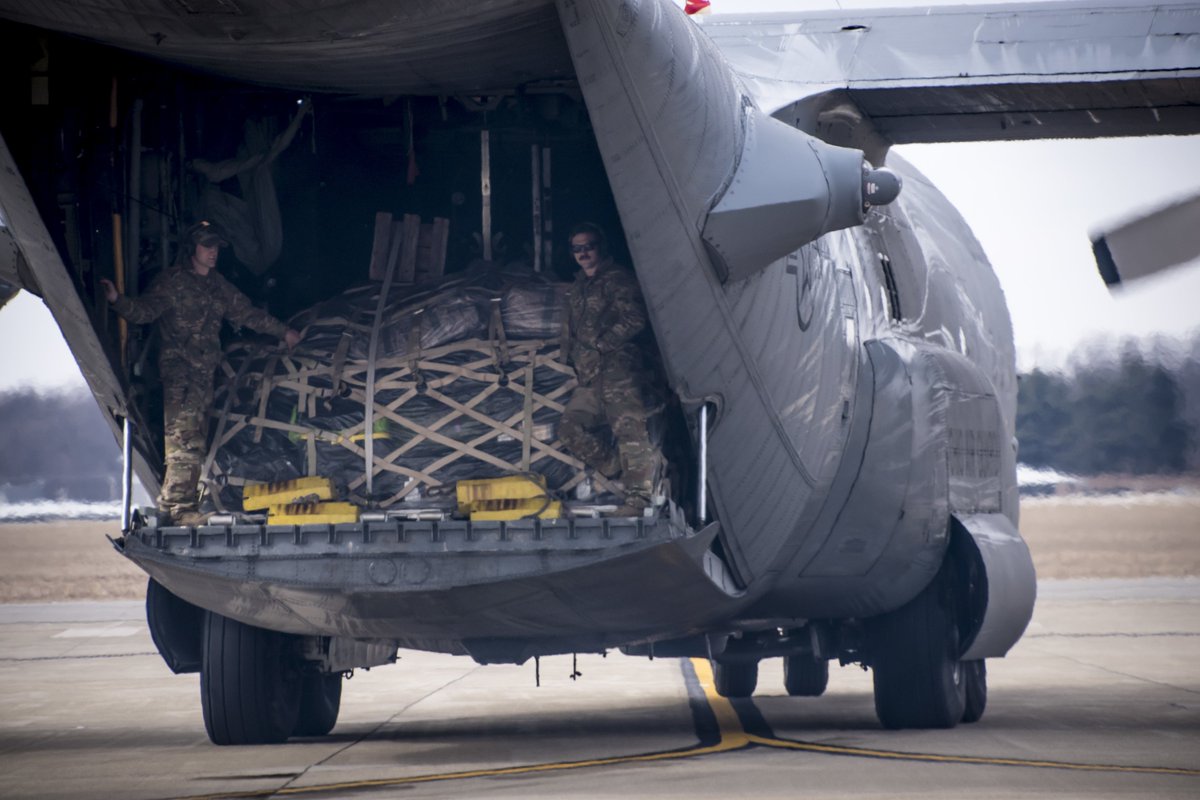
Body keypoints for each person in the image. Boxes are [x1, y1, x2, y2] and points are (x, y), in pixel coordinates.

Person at [101, 220, 301, 526]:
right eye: (207, 246)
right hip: (181, 376)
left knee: (196, 441)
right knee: (184, 442)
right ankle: (180, 510)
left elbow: (247, 314)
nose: (213, 253)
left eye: (216, 247)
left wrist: (283, 332)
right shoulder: (173, 282)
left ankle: (176, 504)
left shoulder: (217, 286)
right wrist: (117, 301)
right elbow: (145, 311)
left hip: (205, 376)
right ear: (191, 248)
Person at [559, 222, 660, 516]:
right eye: (577, 249)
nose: (583, 253)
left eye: (588, 246)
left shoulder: (618, 279)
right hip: (590, 377)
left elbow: (636, 318)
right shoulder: (579, 286)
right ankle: (615, 466)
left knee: (630, 432)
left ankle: (638, 500)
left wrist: (604, 343)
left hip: (618, 371)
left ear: (600, 247)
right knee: (569, 428)